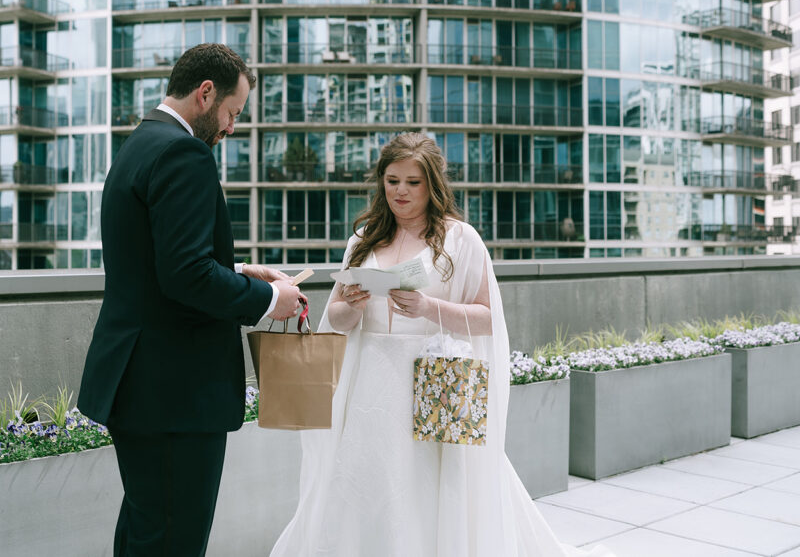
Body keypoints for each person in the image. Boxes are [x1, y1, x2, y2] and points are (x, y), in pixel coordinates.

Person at [271, 133, 613, 557]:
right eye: (392, 180)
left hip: (433, 381)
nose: (400, 191)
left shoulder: (461, 239)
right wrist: (353, 306)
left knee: (433, 482)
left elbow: (489, 319)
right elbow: (337, 318)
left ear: (432, 185)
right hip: (371, 384)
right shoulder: (363, 240)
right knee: (366, 479)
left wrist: (428, 306)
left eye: (412, 182)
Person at [77, 43, 307, 557]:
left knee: (145, 531)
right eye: (232, 113)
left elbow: (159, 262)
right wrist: (271, 298)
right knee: (173, 541)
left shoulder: (142, 142)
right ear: (206, 94)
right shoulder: (185, 152)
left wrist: (240, 271)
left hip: (139, 385)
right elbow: (186, 277)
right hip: (173, 395)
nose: (231, 128)